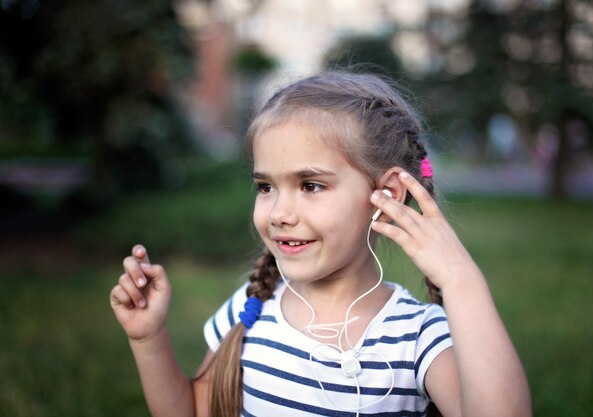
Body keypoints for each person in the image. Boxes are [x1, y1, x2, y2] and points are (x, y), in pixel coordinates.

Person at [110, 71, 531, 417]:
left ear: (385, 196)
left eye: (310, 185)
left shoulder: (416, 338)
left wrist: (461, 281)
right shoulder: (250, 311)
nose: (278, 212)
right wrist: (148, 339)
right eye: (265, 187)